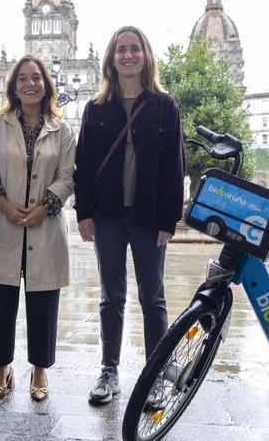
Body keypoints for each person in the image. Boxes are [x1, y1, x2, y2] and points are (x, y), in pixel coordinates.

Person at [73, 26, 185, 404]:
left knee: (152, 296)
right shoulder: (96, 108)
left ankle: (155, 372)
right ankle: (109, 370)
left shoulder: (164, 106)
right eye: (121, 49)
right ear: (111, 59)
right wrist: (83, 212)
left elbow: (175, 165)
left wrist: (169, 220)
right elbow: (84, 165)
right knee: (111, 295)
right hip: (106, 216)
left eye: (135, 49)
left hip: (148, 216)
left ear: (145, 56)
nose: (128, 55)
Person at [0, 55, 75, 402]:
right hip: (3, 222)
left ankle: (40, 370)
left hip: (45, 226)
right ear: (13, 87)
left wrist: (46, 207)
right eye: (22, 79)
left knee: (44, 300)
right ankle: (1, 369)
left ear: (47, 85)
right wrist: (4, 203)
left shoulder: (62, 129)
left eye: (37, 78)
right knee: (0, 301)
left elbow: (67, 176)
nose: (30, 84)